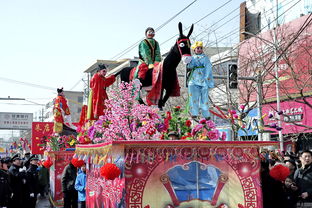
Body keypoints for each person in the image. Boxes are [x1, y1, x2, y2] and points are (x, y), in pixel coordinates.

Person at [186, 41, 214, 120]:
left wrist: (207, 77)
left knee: (204, 98)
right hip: (194, 79)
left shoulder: (205, 58)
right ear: (194, 50)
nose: (199, 49)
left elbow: (208, 68)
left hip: (203, 79)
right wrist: (187, 60)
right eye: (197, 48)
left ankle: (206, 114)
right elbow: (190, 66)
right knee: (192, 96)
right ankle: (194, 112)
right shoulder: (193, 58)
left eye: (200, 48)